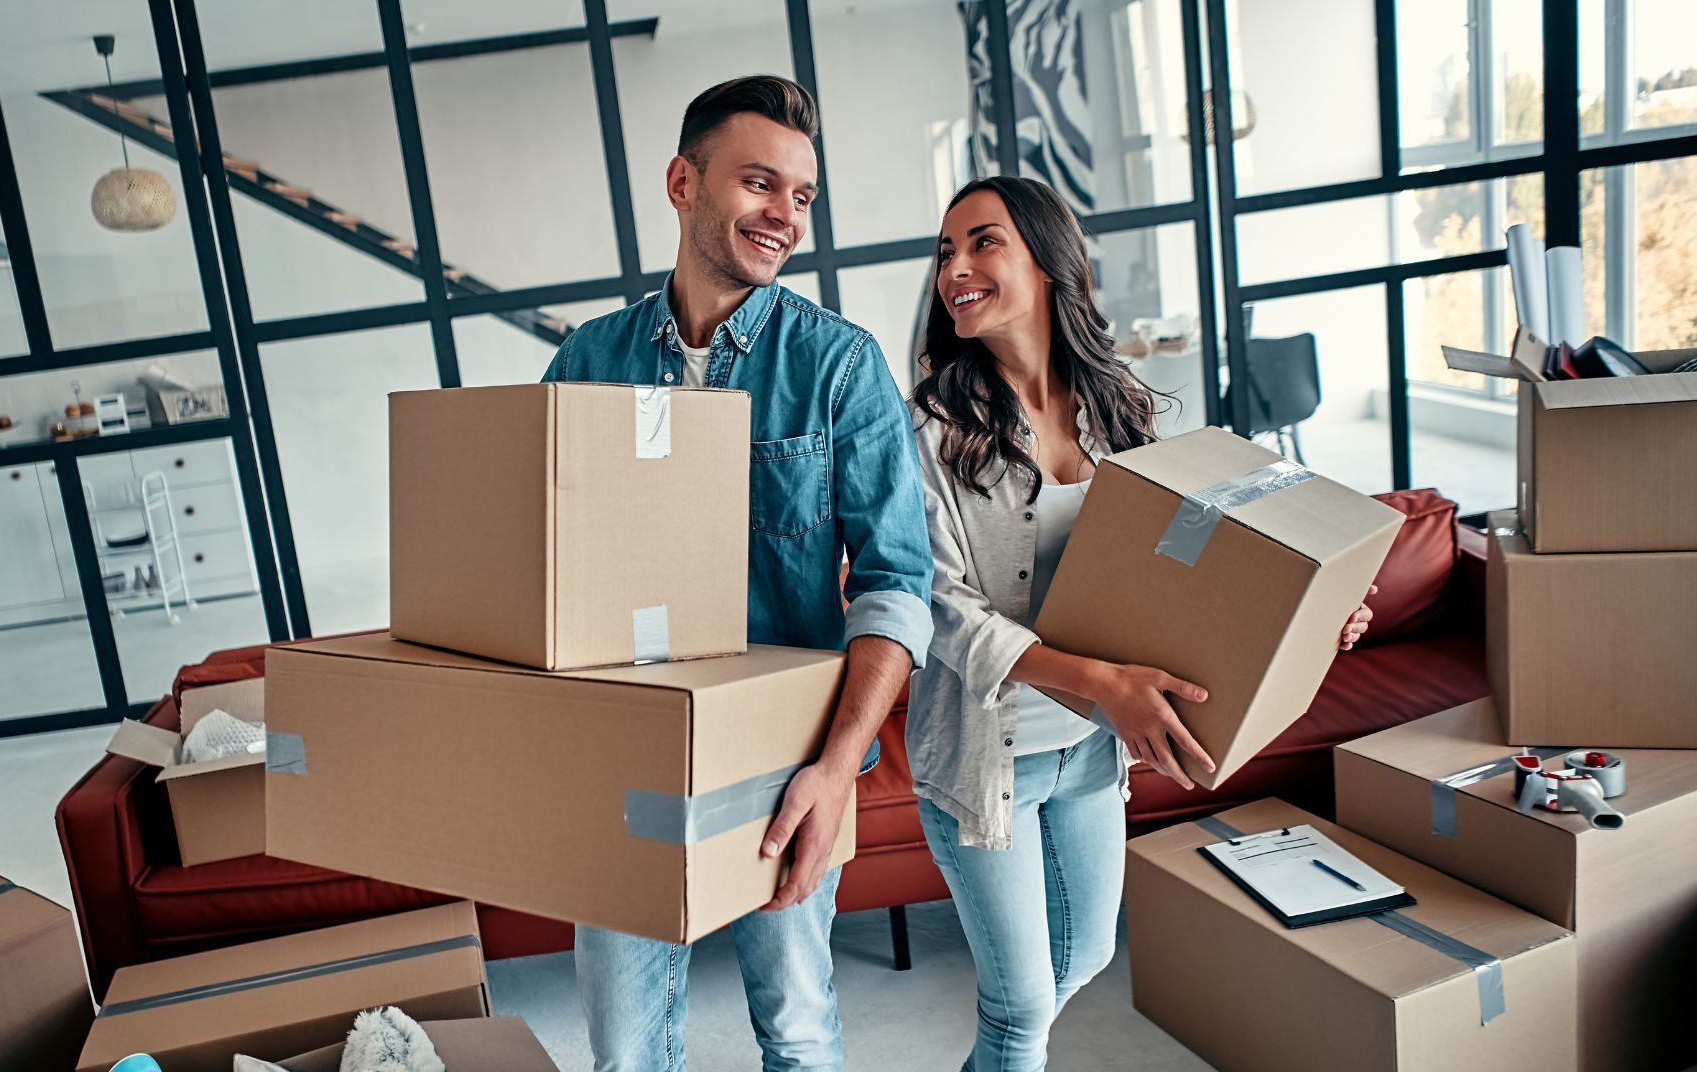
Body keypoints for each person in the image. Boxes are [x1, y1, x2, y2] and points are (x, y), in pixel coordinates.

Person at [907, 175, 1375, 1072]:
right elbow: (940, 610)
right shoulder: (928, 429)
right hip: (982, 756)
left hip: (1089, 750)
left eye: (980, 243)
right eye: (944, 252)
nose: (954, 269)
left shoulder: (1124, 408)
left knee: (1080, 958)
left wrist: (1316, 606)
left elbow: (1215, 553)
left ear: (1047, 262)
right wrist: (1101, 683)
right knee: (1019, 1012)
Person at [540, 75, 933, 1071]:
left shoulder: (840, 367)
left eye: (801, 196)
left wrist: (837, 771)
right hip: (621, 758)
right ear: (683, 181)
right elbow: (540, 567)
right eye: (760, 184)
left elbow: (896, 585)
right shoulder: (585, 362)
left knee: (799, 1034)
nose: (784, 217)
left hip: (782, 765)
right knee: (624, 1052)